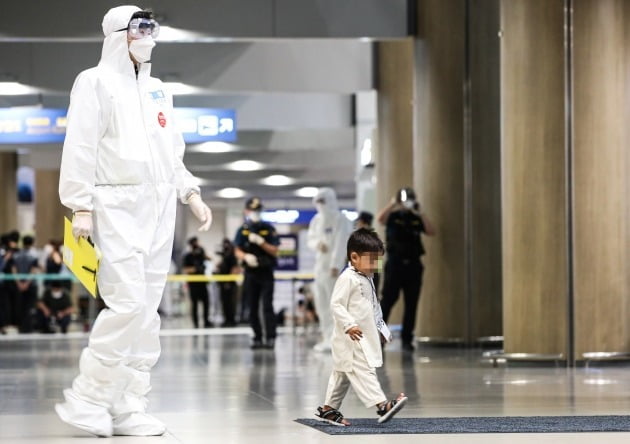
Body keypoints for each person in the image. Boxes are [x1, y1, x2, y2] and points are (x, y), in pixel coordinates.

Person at [55, 6, 213, 437]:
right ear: (118, 35)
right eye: (140, 28)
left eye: (152, 28)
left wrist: (190, 192)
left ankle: (130, 404)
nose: (148, 36)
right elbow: (81, 145)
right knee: (125, 303)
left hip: (160, 206)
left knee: (146, 311)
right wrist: (80, 204)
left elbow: (171, 149)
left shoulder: (159, 90)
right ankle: (88, 397)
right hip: (114, 204)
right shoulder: (94, 82)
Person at [315, 229, 407, 426]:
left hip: (363, 336)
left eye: (378, 260)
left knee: (342, 375)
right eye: (372, 260)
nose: (376, 265)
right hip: (351, 339)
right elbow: (336, 304)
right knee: (363, 370)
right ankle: (382, 405)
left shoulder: (368, 278)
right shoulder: (347, 278)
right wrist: (349, 325)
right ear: (354, 257)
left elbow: (374, 307)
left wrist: (382, 330)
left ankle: (328, 410)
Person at [377, 187, 435, 352]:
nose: (408, 201)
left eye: (410, 198)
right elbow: (380, 219)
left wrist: (421, 212)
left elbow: (431, 231)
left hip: (414, 264)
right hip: (395, 263)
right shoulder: (393, 216)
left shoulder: (416, 219)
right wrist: (392, 204)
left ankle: (407, 339)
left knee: (412, 303)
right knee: (388, 300)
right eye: (405, 198)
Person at [307, 187, 352, 352]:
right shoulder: (316, 221)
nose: (320, 205)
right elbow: (310, 238)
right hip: (320, 268)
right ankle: (327, 337)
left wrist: (335, 264)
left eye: (323, 201)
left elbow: (342, 243)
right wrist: (317, 244)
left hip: (334, 270)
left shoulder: (341, 219)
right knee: (321, 304)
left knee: (336, 305)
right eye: (317, 202)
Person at [234, 197, 279, 349]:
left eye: (258, 210)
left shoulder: (268, 228)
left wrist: (261, 242)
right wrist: (245, 256)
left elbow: (275, 251)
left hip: (266, 272)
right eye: (253, 210)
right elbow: (237, 250)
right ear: (247, 211)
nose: (256, 213)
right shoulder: (243, 230)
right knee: (252, 306)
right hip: (250, 272)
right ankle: (257, 337)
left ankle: (270, 337)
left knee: (267, 306)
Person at [12, 235, 41, 333]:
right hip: (31, 285)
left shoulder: (16, 255)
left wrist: (19, 283)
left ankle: (21, 327)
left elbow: (14, 270)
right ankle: (28, 327)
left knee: (20, 306)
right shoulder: (33, 255)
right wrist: (27, 284)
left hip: (19, 285)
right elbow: (33, 270)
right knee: (30, 307)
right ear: (32, 243)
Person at [182, 237, 211, 328]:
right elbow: (185, 269)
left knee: (206, 302)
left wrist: (203, 253)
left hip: (203, 282)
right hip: (193, 284)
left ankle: (206, 321)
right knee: (194, 304)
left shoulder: (201, 254)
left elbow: (210, 259)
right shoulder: (188, 256)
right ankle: (196, 323)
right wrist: (195, 269)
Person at [216, 238, 239, 327]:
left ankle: (231, 320)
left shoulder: (232, 256)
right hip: (223, 282)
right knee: (225, 303)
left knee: (231, 303)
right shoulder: (224, 256)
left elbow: (234, 269)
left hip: (230, 283)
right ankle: (227, 320)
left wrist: (228, 282)